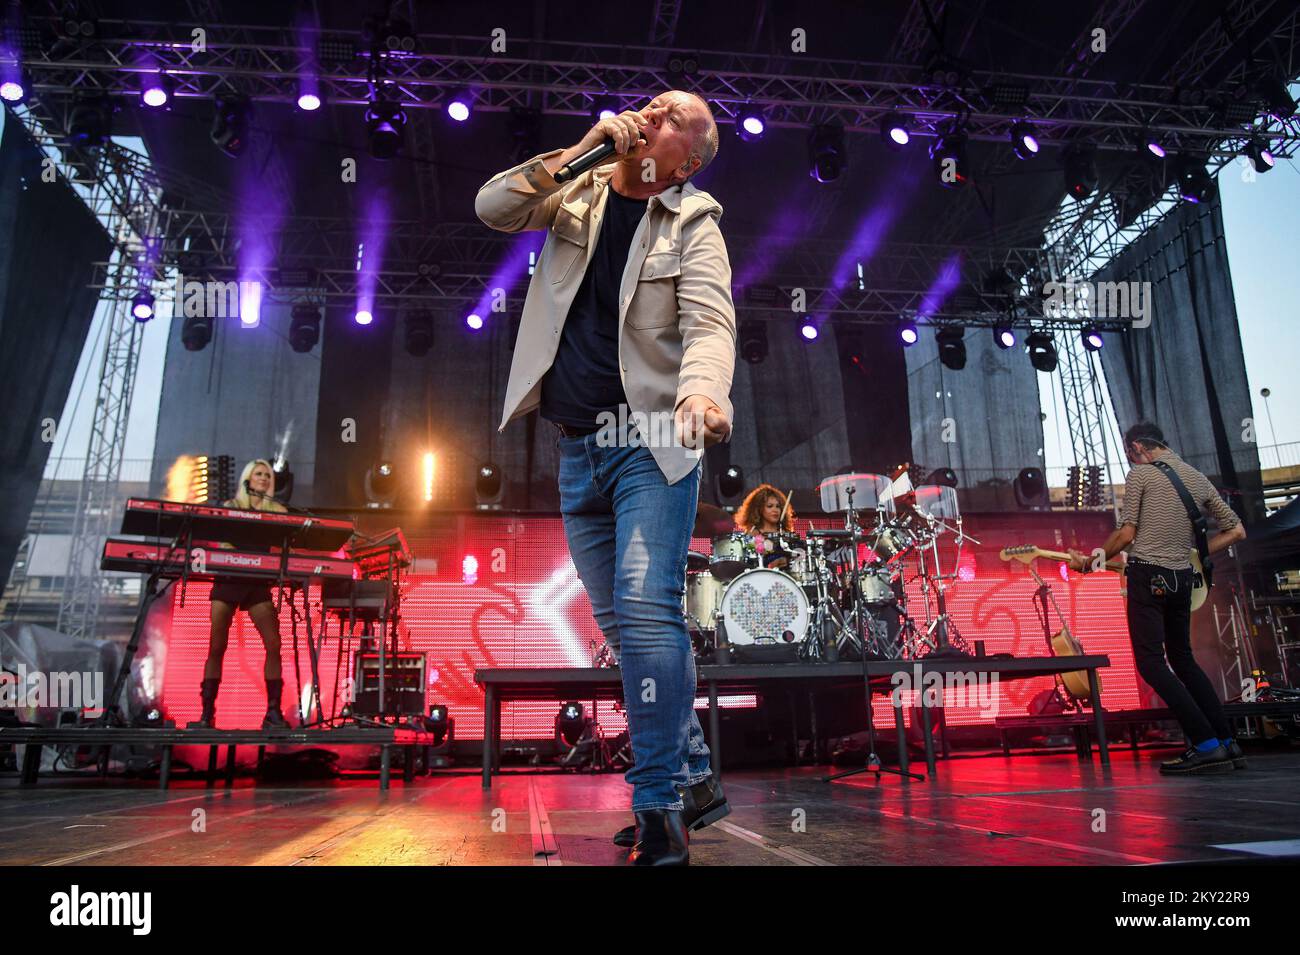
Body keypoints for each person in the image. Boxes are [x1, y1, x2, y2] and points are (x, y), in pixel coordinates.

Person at [476, 90, 735, 865]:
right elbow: (493, 205)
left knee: (648, 615)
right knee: (625, 627)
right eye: (649, 104)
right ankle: (693, 777)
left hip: (653, 446)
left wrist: (701, 393)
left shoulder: (694, 223)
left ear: (683, 159)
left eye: (670, 118)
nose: (648, 114)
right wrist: (581, 148)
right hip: (577, 450)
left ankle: (659, 807)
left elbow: (711, 325)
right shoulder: (578, 192)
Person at [1068, 422, 1247, 775]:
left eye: (1128, 454)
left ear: (1137, 447)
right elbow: (1237, 530)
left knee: (1151, 663)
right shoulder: (1196, 478)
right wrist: (1194, 556)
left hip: (1148, 577)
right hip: (1183, 579)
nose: (1130, 460)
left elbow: (1126, 533)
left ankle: (1206, 744)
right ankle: (1229, 743)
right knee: (1183, 659)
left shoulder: (1142, 474)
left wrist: (1090, 563)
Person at [188, 459, 291, 730]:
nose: (264, 479)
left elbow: (285, 542)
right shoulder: (230, 508)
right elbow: (222, 542)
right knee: (217, 645)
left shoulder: (277, 511)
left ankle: (272, 712)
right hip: (230, 578)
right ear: (247, 478)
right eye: (258, 474)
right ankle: (207, 714)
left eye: (267, 476)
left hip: (257, 582)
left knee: (273, 644)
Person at [734, 483, 797, 570]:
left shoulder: (787, 535)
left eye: (778, 506)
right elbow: (748, 563)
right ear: (759, 509)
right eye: (770, 506)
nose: (775, 510)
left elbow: (800, 557)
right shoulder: (752, 534)